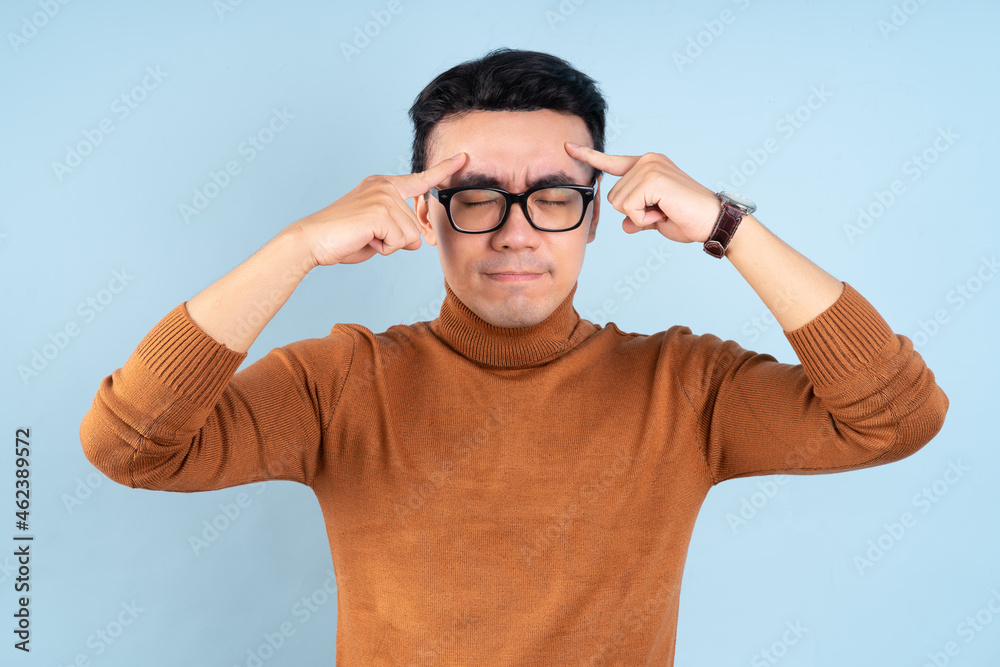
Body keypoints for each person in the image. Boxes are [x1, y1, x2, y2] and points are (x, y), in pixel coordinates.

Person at [80, 48, 948, 665]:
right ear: (422, 208)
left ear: (599, 213)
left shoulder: (685, 387)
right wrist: (298, 245)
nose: (516, 230)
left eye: (555, 196)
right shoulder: (339, 383)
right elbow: (129, 445)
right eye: (476, 195)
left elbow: (898, 419)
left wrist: (728, 223)